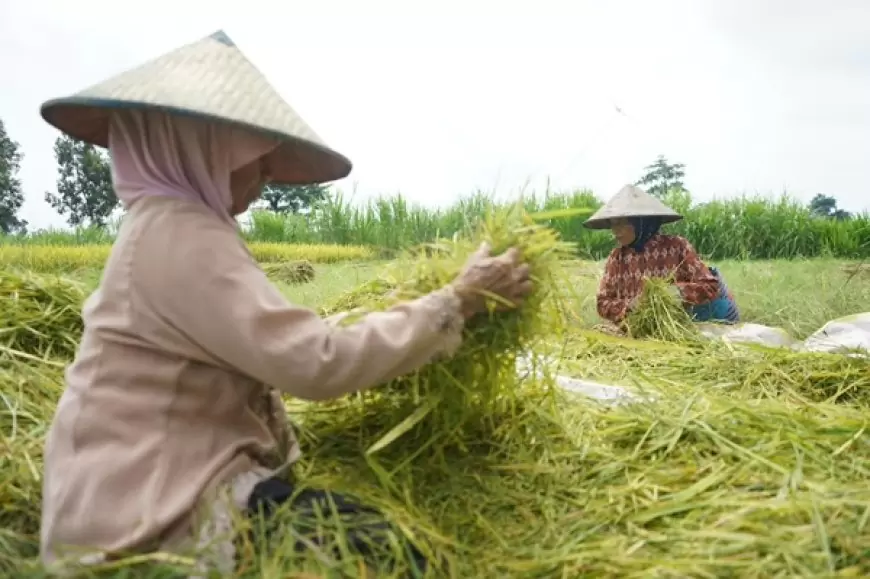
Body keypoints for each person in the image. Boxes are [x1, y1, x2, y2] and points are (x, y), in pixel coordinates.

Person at [37, 31, 533, 575]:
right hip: (150, 518)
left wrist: (395, 311)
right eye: (254, 159)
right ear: (204, 150)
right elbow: (315, 363)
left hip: (135, 492)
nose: (266, 175)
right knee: (387, 554)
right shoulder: (181, 233)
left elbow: (271, 337)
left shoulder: (167, 225)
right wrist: (454, 301)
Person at [583, 185, 739, 329]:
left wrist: (676, 293)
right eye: (612, 224)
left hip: (675, 329)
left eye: (620, 223)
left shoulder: (677, 247)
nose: (615, 231)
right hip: (633, 330)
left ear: (641, 222)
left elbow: (710, 286)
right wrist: (630, 306)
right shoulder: (617, 258)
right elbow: (602, 303)